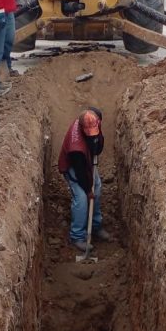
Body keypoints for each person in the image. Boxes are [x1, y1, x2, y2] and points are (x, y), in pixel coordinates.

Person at [57, 107, 112, 251]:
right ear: (81, 128)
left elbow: (99, 146)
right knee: (81, 199)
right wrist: (88, 191)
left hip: (86, 160)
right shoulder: (76, 149)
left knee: (97, 189)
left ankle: (96, 226)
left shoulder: (92, 118)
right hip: (74, 167)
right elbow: (81, 174)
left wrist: (96, 141)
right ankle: (77, 236)